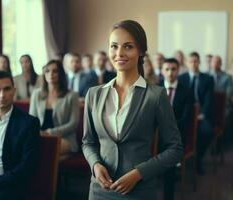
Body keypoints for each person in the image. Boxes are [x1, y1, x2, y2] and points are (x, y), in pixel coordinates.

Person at [82, 20, 183, 200]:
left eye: (128, 46)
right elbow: (88, 142)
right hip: (99, 190)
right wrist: (95, 165)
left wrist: (138, 173)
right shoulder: (94, 94)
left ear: (141, 51)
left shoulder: (156, 95)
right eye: (114, 46)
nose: (119, 53)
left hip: (138, 191)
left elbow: (175, 149)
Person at [0, 69, 40, 199]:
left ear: (14, 91)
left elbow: (28, 165)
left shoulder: (29, 123)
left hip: (8, 182)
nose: (2, 95)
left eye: (7, 89)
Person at [29, 60, 80, 156]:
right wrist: (39, 133)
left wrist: (50, 132)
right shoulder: (36, 94)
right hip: (40, 136)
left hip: (64, 138)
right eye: (47, 71)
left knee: (46, 149)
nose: (51, 74)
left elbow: (73, 124)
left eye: (55, 71)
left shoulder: (72, 95)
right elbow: (31, 120)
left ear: (60, 74)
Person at [160, 58, 192, 200]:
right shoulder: (155, 88)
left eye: (173, 69)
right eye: (167, 69)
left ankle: (168, 196)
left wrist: (169, 130)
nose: (170, 73)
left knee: (169, 153)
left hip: (176, 135)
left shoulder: (186, 91)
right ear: (162, 71)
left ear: (178, 71)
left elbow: (186, 118)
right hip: (156, 134)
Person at [179, 52, 214, 174]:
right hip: (185, 115)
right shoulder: (181, 78)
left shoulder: (208, 79)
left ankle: (198, 160)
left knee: (207, 132)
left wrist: (201, 115)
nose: (193, 64)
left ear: (199, 62)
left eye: (195, 61)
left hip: (201, 115)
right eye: (191, 61)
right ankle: (178, 162)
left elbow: (209, 101)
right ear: (187, 63)